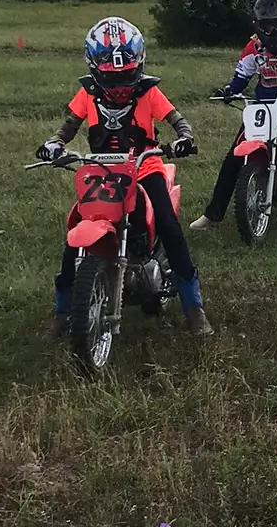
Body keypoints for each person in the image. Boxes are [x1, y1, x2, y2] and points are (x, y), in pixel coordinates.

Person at [37, 17, 212, 338]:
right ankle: (63, 311)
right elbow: (69, 126)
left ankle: (193, 307)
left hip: (145, 167)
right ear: (94, 68)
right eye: (110, 77)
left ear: (139, 65)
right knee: (73, 231)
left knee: (170, 228)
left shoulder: (149, 91)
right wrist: (54, 144)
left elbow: (177, 120)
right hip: (102, 172)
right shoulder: (87, 93)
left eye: (126, 76)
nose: (118, 86)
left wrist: (184, 137)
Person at [191, 0, 277, 227]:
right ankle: (213, 213)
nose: (273, 33)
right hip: (263, 104)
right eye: (267, 26)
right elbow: (242, 75)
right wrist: (230, 90)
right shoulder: (254, 46)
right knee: (234, 154)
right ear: (258, 25)